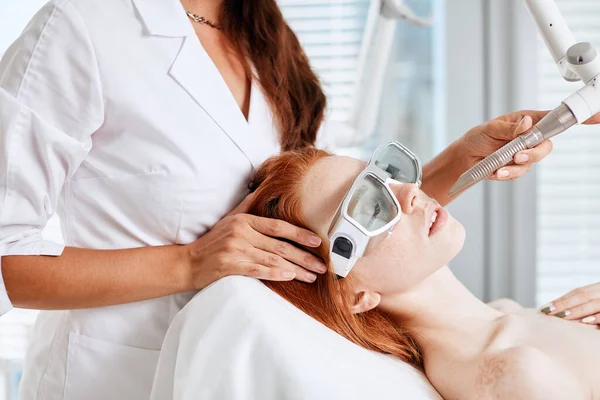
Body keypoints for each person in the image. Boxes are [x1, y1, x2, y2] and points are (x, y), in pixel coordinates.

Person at [0, 0, 594, 399]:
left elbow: (344, 214)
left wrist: (462, 160)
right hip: (112, 374)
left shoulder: (265, 32)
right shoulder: (83, 28)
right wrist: (188, 263)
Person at [244, 146, 600, 399]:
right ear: (351, 293)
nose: (410, 192)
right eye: (369, 207)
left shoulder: (506, 315)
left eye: (383, 175)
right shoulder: (512, 376)